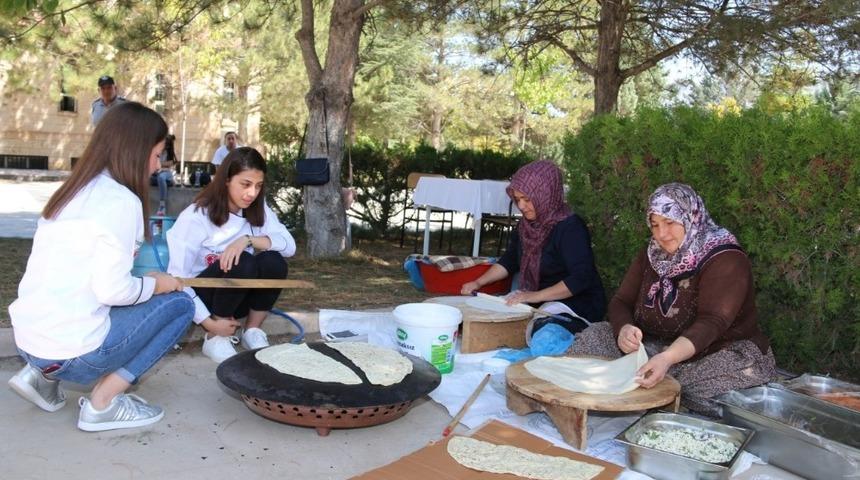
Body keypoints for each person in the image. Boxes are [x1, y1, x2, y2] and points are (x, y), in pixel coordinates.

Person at [7, 102, 194, 432]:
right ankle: (102, 404)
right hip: (72, 354)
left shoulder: (73, 190)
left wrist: (146, 282)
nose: (156, 166)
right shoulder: (121, 201)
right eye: (155, 154)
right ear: (135, 151)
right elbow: (113, 290)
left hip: (29, 342)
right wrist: (158, 285)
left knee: (127, 298)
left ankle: (41, 376)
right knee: (180, 305)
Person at [570, 183, 777, 416]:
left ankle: (651, 386)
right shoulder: (651, 254)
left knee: (699, 388)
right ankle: (651, 384)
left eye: (670, 222)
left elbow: (713, 321)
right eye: (655, 224)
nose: (661, 234)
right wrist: (624, 329)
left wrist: (667, 358)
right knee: (591, 339)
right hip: (654, 348)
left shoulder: (725, 258)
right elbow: (621, 301)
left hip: (717, 353)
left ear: (691, 218)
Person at [167, 147, 296, 363]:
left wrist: (247, 240)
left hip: (236, 294)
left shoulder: (257, 207)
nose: (252, 193)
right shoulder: (196, 217)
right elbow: (177, 279)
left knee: (273, 260)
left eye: (258, 186)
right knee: (242, 262)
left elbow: (289, 246)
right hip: (200, 298)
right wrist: (209, 323)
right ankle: (215, 337)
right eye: (245, 184)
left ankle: (252, 330)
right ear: (226, 179)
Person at [461, 160, 606, 336]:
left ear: (545, 195)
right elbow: (509, 261)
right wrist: (477, 283)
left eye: (527, 199)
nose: (521, 206)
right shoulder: (525, 226)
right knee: (484, 316)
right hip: (537, 299)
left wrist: (531, 297)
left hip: (577, 304)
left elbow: (580, 278)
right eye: (517, 199)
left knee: (542, 330)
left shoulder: (570, 228)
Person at [150, 134, 176, 216]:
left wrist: (161, 167)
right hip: (157, 174)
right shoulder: (157, 150)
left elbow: (170, 165)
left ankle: (162, 205)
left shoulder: (169, 153)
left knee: (161, 177)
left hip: (167, 174)